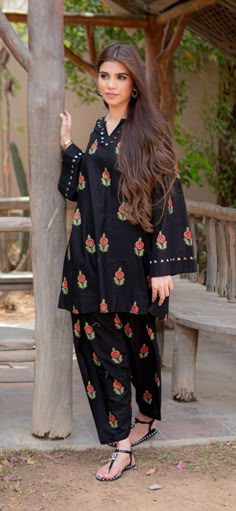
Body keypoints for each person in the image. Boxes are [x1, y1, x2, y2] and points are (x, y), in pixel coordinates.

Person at [58, 43, 197, 482]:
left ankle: (147, 417)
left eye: (120, 76)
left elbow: (167, 197)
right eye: (104, 76)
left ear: (134, 82)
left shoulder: (150, 130)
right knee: (104, 349)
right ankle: (121, 446)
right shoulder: (100, 128)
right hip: (89, 259)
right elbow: (84, 188)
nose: (110, 84)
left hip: (133, 260)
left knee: (139, 344)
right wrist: (69, 147)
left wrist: (164, 264)